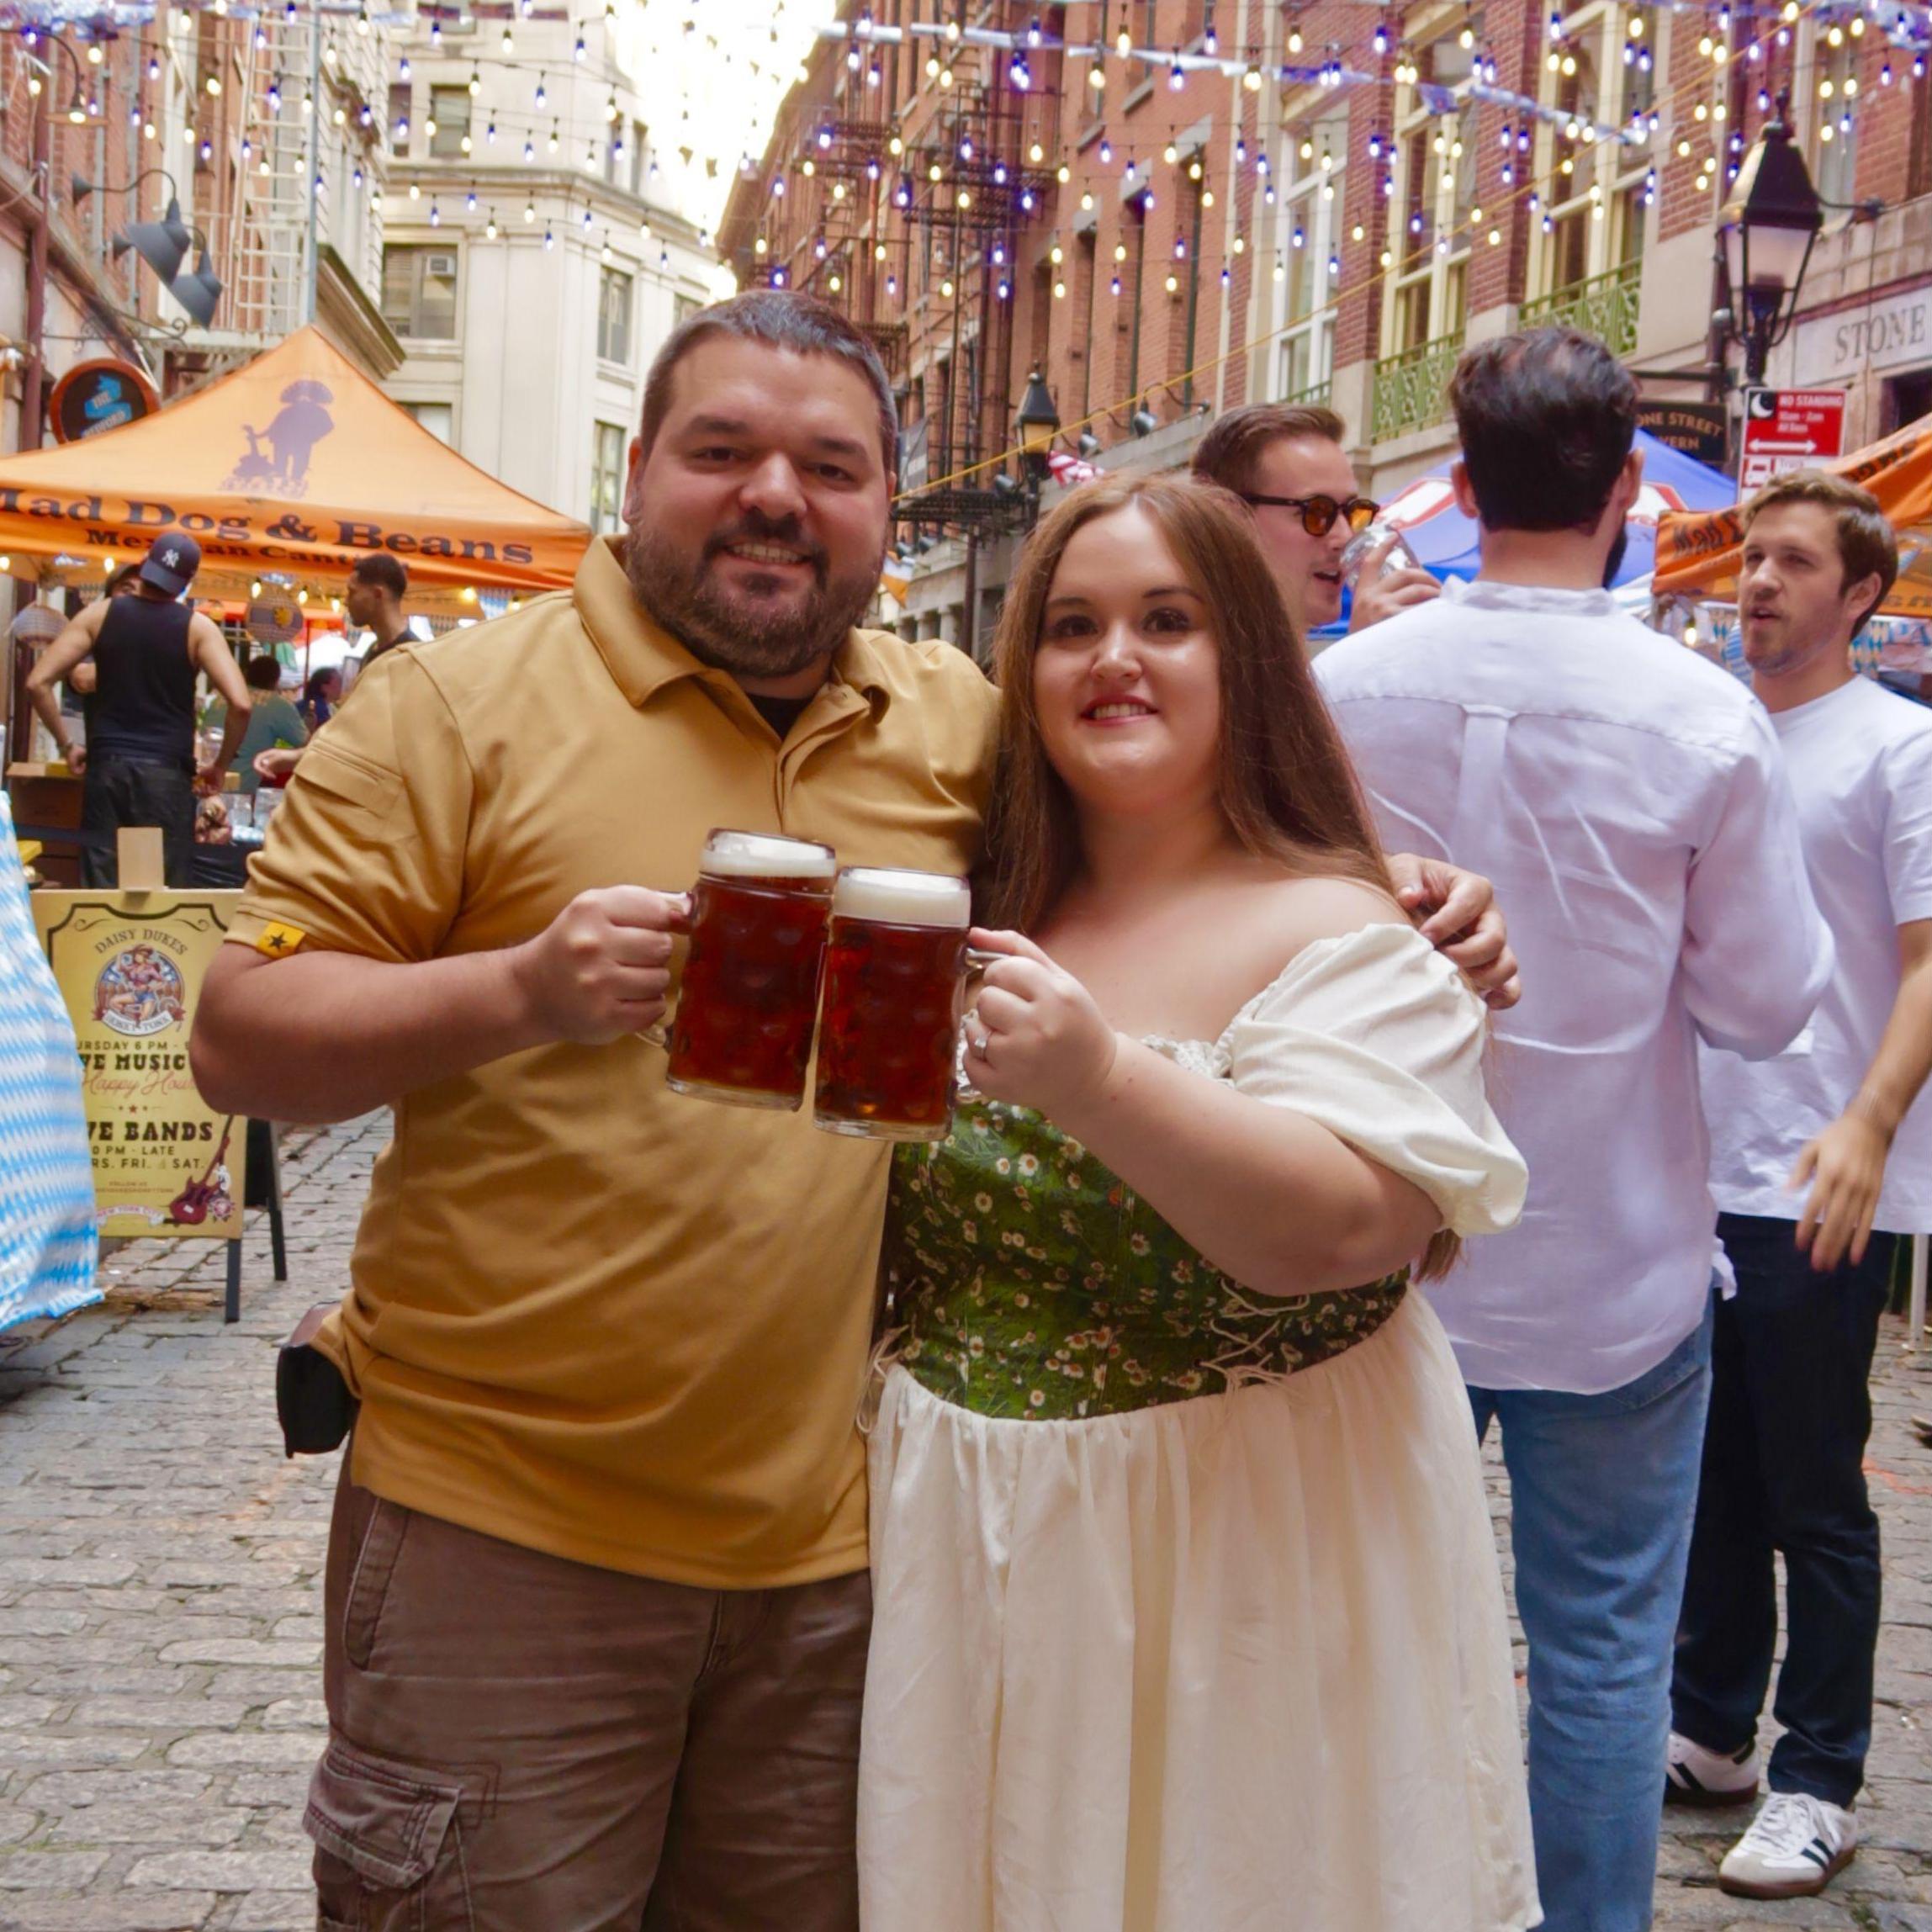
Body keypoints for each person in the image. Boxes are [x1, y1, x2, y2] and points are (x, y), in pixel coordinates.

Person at [189, 292, 1516, 1929]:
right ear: (636, 473)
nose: (774, 495)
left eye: (829, 464)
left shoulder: (949, 723)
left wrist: (1372, 885)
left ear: (886, 507)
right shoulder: (450, 707)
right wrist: (518, 989)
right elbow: (239, 1037)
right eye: (721, 449)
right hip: (508, 1536)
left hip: (842, 1568)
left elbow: (1150, 815)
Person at [860, 475, 1536, 1931]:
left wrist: (1099, 1077)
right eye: (1071, 625)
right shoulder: (970, 898)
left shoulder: (1346, 925)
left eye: (1167, 621)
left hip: (1246, 1566)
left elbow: (1345, 1228)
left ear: (1245, 657)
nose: (1114, 658)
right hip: (976, 1558)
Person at [1311, 327, 1834, 1932]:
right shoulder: (1702, 717)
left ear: (1461, 488)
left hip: (1368, 1239)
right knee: (1601, 1659)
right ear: (1626, 489)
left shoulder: (1336, 690)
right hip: (1609, 1259)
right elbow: (1765, 1007)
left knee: (1352, 1646)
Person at [1670, 472, 1928, 1902]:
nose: (1755, 579)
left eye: (1789, 561)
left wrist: (1869, 1125)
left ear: (1861, 595)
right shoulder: (1705, 734)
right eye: (1747, 555)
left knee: (1814, 1486)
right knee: (1707, 1470)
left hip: (1818, 1169)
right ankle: (1713, 1734)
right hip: (1689, 1160)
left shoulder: (1899, 748)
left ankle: (1820, 1770)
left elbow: (1928, 957)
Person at [24, 532, 251, 888]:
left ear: (147, 563)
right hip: (167, 775)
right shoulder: (197, 628)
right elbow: (241, 704)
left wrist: (68, 745)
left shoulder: (98, 615)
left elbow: (37, 682)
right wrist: (220, 765)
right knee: (162, 889)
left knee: (102, 885)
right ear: (187, 581)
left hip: (107, 769)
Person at [1191, 401, 1441, 637]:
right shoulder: (1180, 656)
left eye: (1353, 511)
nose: (1345, 537)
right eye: (1316, 512)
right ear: (1229, 517)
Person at [211, 656, 309, 793]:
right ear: (276, 680)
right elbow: (306, 745)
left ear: (245, 675)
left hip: (206, 780)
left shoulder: (222, 698)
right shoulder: (278, 705)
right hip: (240, 790)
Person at [342, 552, 411, 678]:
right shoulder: (372, 651)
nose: (345, 602)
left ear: (377, 594)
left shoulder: (411, 656)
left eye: (352, 592)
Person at [299, 666, 341, 732]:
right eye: (339, 683)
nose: (341, 687)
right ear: (324, 687)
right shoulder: (317, 709)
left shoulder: (329, 706)